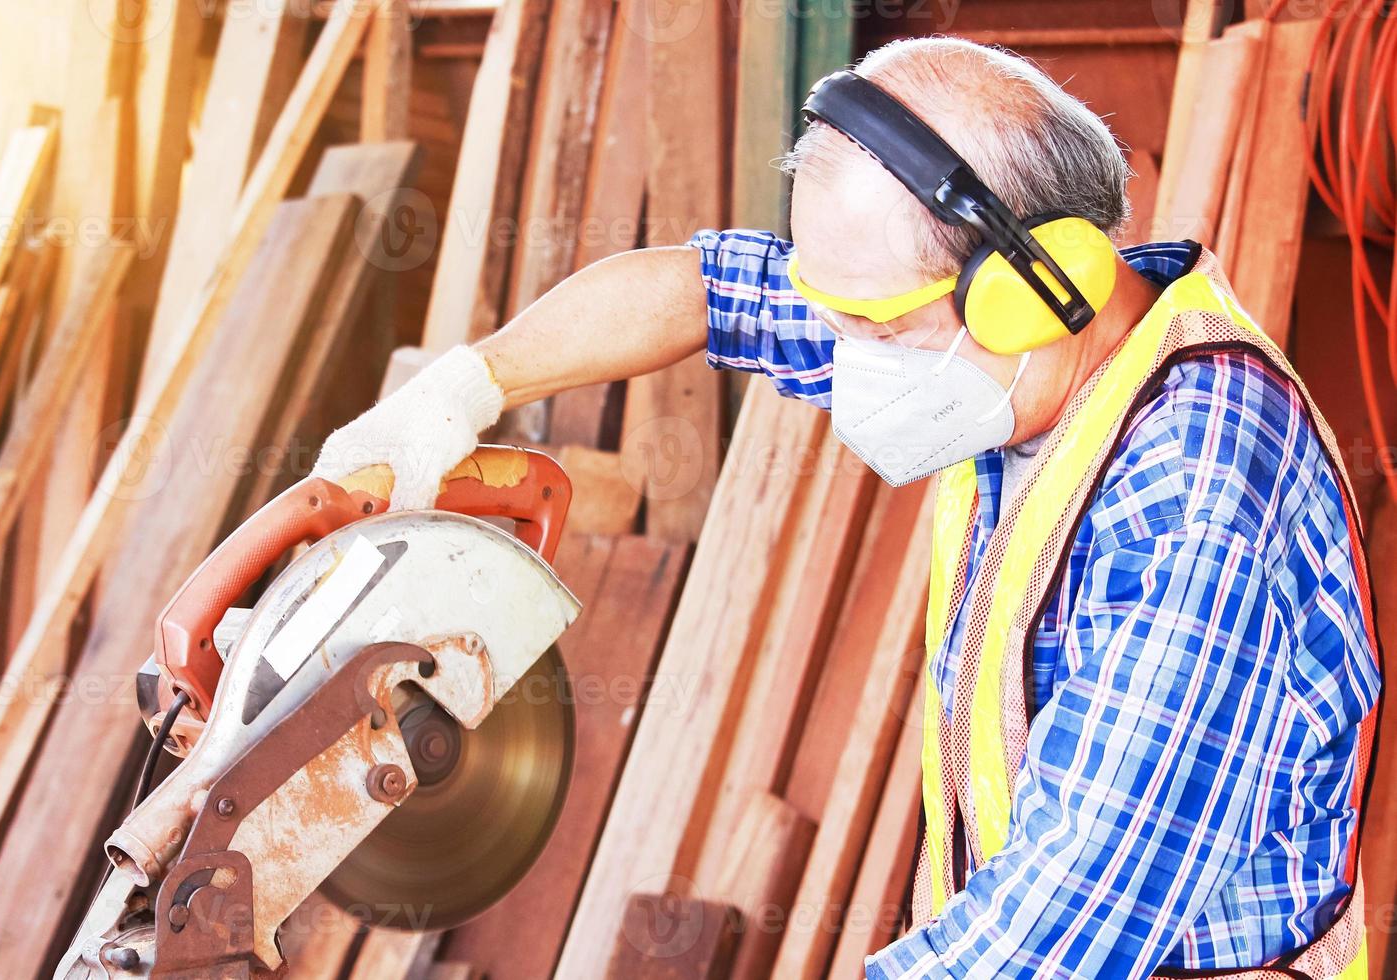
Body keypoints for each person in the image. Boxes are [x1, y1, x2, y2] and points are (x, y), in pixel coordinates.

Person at [313, 37, 1381, 979]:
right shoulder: (1004, 346)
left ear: (1035, 287)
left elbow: (1062, 925)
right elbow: (702, 288)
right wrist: (458, 394)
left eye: (872, 333)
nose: (845, 362)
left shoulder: (1195, 491)